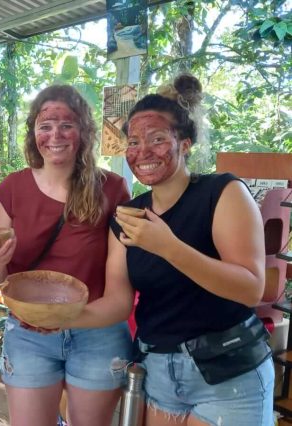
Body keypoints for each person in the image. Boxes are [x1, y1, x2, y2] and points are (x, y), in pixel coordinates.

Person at [110, 74, 274, 425]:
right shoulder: (128, 214)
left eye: (157, 139)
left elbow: (250, 288)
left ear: (184, 144)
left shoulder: (222, 192)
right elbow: (117, 301)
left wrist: (168, 247)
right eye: (134, 141)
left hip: (227, 373)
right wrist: (58, 318)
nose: (143, 152)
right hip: (158, 374)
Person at [0, 85, 133, 426]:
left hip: (97, 329)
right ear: (33, 132)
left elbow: (119, 288)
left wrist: (64, 320)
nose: (55, 135)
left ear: (83, 130)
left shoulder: (112, 189)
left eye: (66, 124)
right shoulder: (11, 189)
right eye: (45, 125)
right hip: (28, 331)